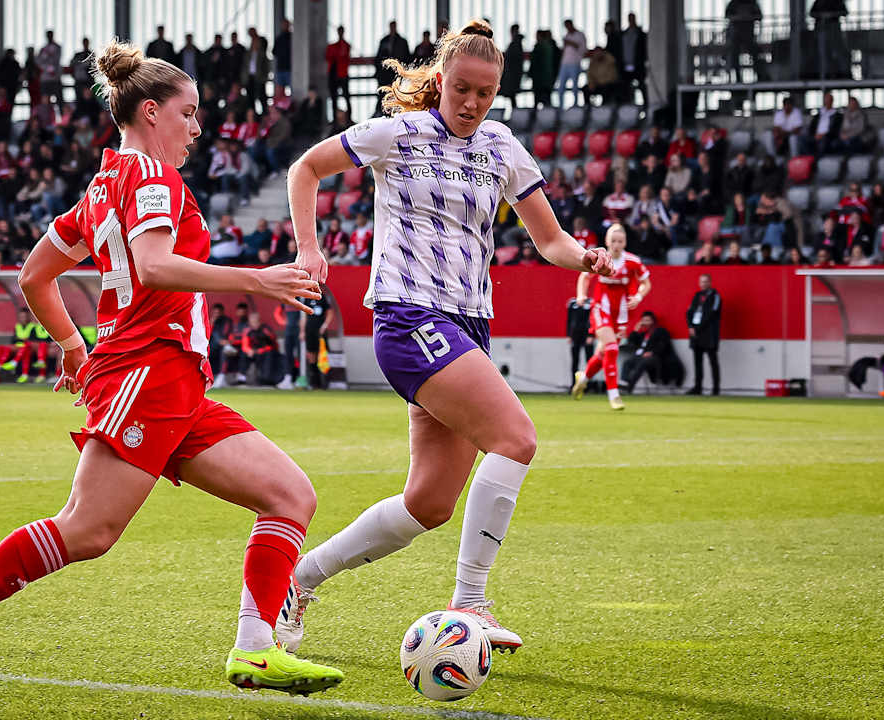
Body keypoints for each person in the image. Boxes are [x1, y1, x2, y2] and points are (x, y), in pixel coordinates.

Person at [0, 40, 343, 710]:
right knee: (86, 531)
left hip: (171, 379)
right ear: (152, 111)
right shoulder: (153, 180)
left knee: (289, 496)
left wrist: (74, 348)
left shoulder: (107, 183)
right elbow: (154, 265)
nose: (197, 127)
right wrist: (256, 279)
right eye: (189, 113)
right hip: (147, 371)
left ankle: (255, 645)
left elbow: (34, 276)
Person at [278, 19, 614, 657]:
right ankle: (471, 602)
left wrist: (585, 258)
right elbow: (305, 168)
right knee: (516, 438)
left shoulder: (502, 147)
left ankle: (297, 579)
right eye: (462, 88)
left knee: (428, 504)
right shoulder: (396, 133)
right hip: (409, 320)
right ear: (440, 82)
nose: (472, 103)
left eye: (485, 94)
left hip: (467, 327)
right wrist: (309, 248)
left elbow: (549, 239)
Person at [572, 223, 650, 411]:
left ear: (625, 243)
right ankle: (614, 395)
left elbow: (646, 283)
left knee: (603, 354)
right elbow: (585, 277)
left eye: (620, 241)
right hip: (601, 309)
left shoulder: (632, 261)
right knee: (613, 348)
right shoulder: (600, 259)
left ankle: (583, 378)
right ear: (606, 241)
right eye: (613, 240)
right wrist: (581, 295)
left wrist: (639, 296)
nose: (616, 244)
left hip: (621, 314)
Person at [620, 311, 681, 392]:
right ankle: (624, 383)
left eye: (647, 320)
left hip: (656, 358)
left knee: (642, 363)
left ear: (653, 321)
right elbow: (631, 341)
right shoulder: (643, 334)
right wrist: (635, 330)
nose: (645, 323)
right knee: (628, 362)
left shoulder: (660, 331)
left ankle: (629, 387)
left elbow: (663, 345)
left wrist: (652, 352)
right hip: (641, 356)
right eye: (643, 320)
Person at [556, 20, 586, 108]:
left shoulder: (580, 35)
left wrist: (570, 43)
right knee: (561, 87)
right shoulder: (567, 35)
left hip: (574, 63)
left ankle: (575, 104)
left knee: (575, 86)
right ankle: (561, 106)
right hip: (565, 63)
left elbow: (583, 49)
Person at [326, 26, 352, 113]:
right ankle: (335, 120)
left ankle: (348, 117)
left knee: (346, 97)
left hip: (342, 75)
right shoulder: (334, 46)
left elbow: (344, 58)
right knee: (334, 98)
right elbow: (329, 57)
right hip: (334, 75)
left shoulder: (345, 46)